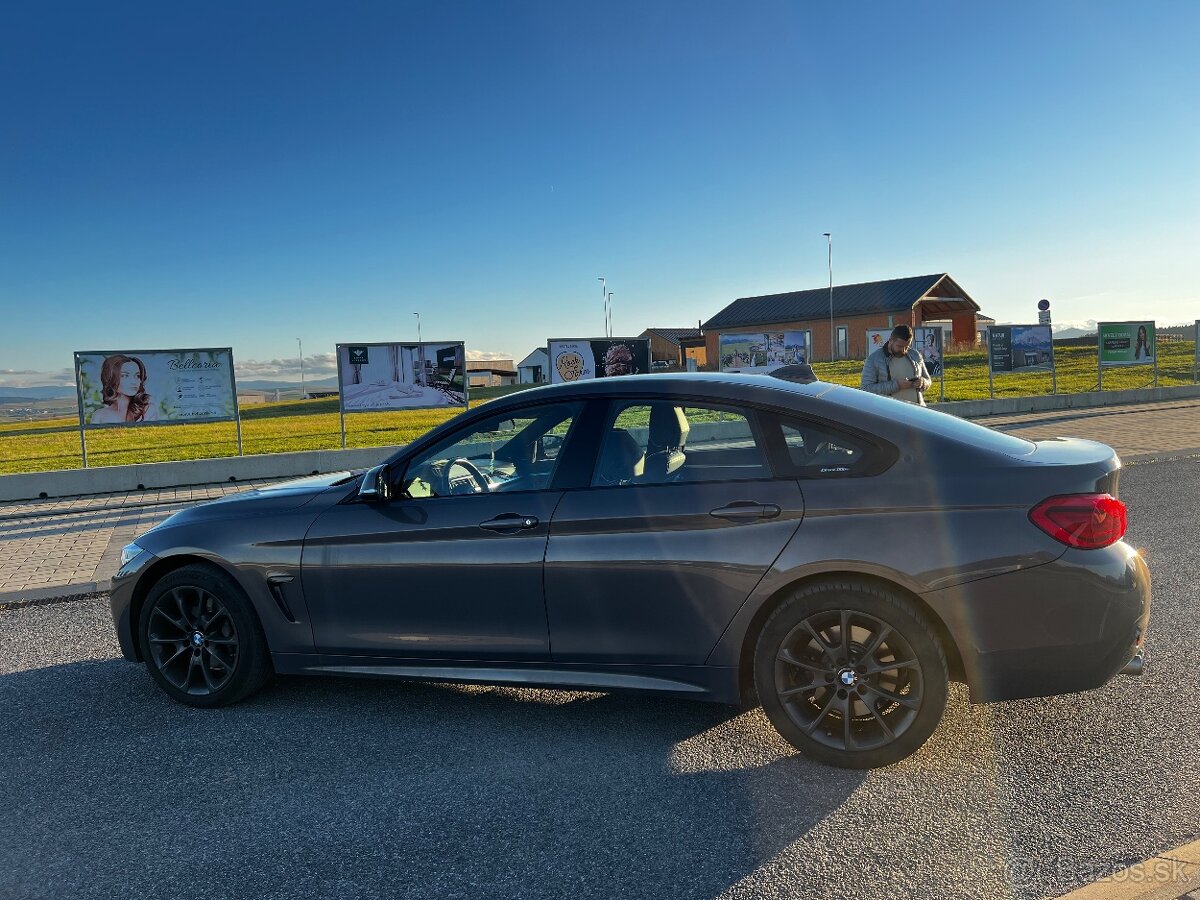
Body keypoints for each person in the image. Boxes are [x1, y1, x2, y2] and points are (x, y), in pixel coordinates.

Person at [860, 325, 932, 405]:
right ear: (890, 340)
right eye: (899, 346)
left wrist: (923, 382)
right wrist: (897, 385)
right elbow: (866, 389)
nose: (903, 350)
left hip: (917, 410)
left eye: (907, 347)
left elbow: (928, 380)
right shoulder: (874, 359)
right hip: (889, 411)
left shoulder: (915, 355)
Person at [90, 354, 157, 423]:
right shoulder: (99, 415)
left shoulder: (147, 410)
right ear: (111, 378)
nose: (134, 381)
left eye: (137, 376)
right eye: (125, 376)